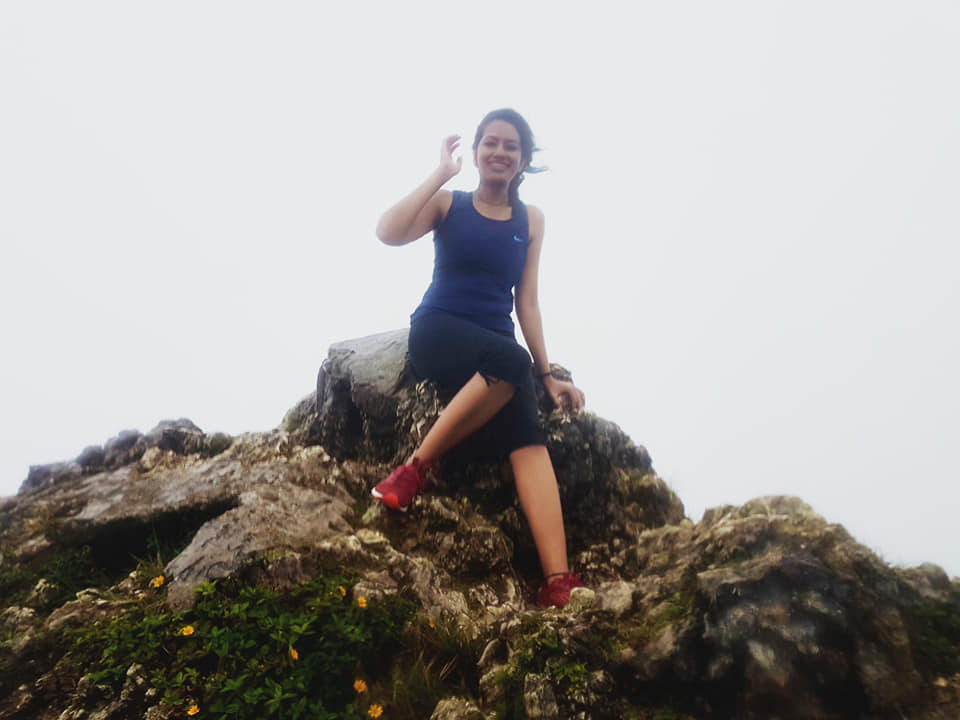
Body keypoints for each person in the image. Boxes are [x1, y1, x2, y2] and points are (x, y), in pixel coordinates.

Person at [371, 109, 586, 608]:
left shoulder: (531, 220)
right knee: (511, 362)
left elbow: (526, 301)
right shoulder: (450, 203)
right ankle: (412, 472)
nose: (499, 152)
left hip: (498, 353)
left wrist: (547, 374)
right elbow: (387, 231)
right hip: (439, 332)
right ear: (475, 152)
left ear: (523, 161)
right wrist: (439, 174)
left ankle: (556, 581)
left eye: (511, 146)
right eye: (490, 142)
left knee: (529, 436)